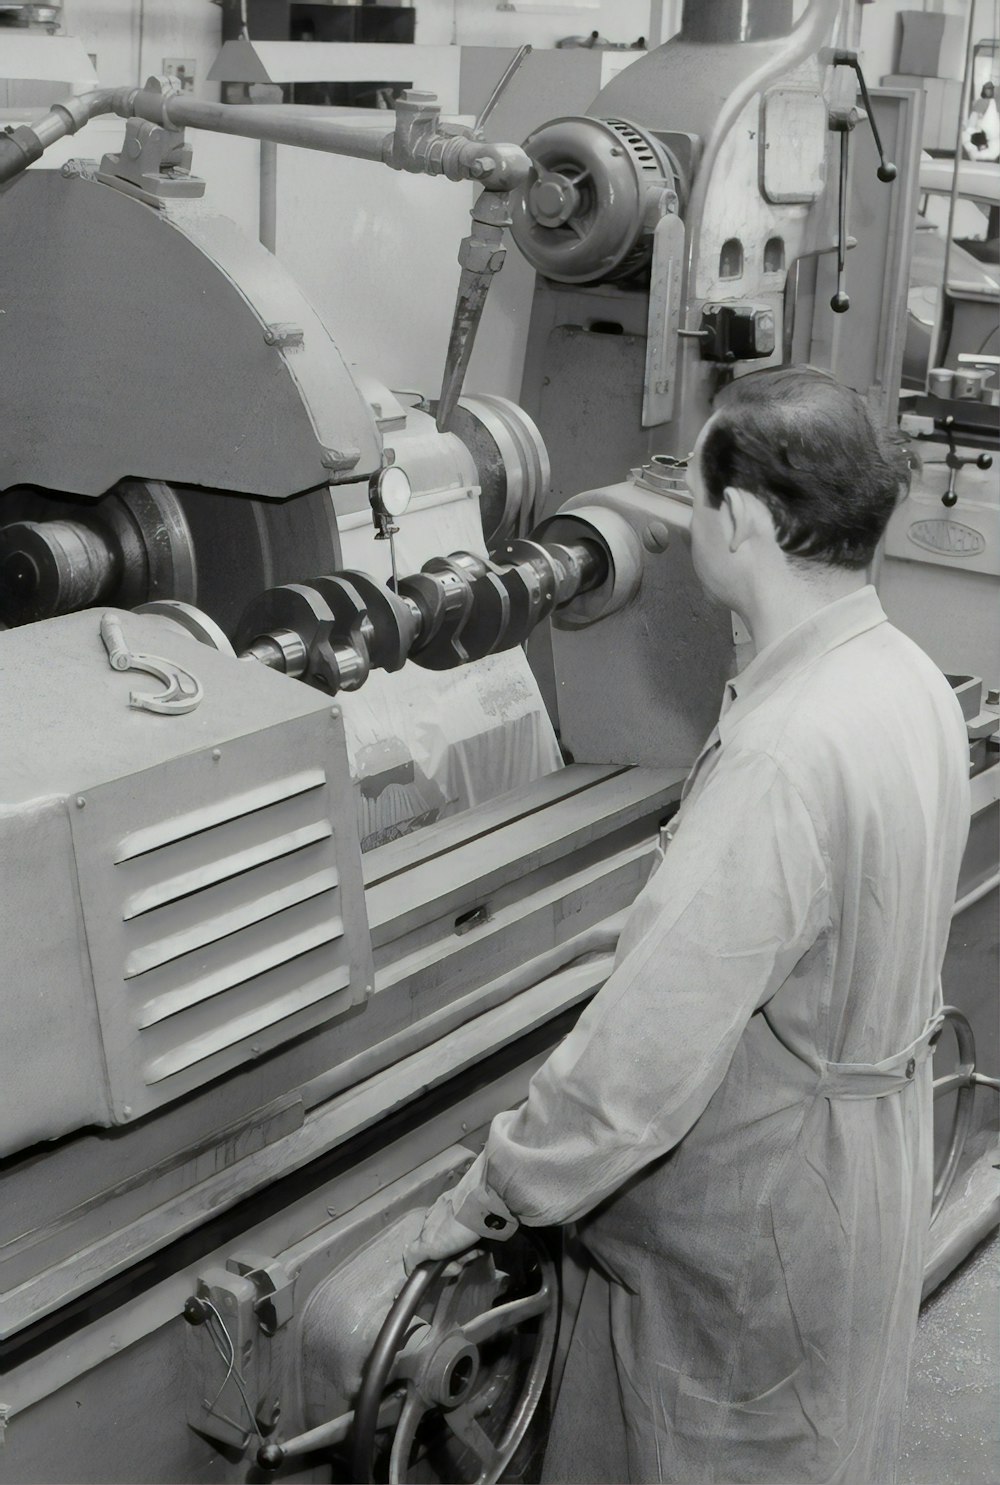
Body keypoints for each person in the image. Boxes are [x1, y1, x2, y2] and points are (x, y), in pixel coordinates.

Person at [404, 367, 971, 1484]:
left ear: (747, 518)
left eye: (696, 493)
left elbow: (639, 1067)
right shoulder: (906, 677)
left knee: (713, 1446)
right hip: (860, 1163)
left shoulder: (781, 752)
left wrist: (498, 1191)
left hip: (757, 1215)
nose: (682, 518)